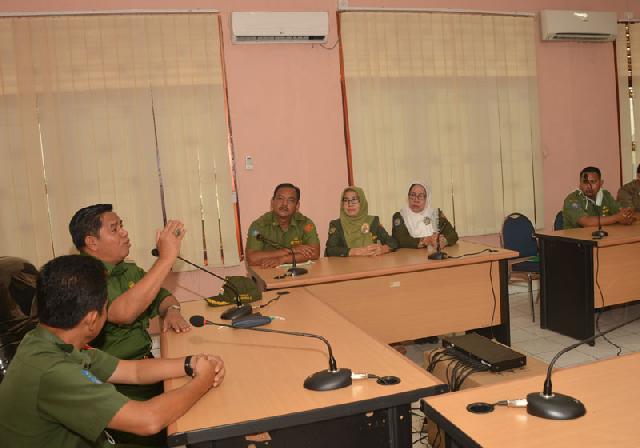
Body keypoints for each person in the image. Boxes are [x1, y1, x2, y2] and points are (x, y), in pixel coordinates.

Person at [0, 255, 225, 448]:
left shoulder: (46, 339)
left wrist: (192, 363)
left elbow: (132, 370)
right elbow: (148, 420)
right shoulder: (53, 371)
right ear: (92, 319)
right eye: (106, 306)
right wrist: (202, 380)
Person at [69, 204, 190, 444]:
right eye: (115, 229)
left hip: (146, 371)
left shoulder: (127, 270)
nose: (124, 232)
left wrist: (172, 310)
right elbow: (122, 313)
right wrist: (166, 259)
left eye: (122, 225)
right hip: (120, 386)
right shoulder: (84, 278)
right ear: (92, 242)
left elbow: (161, 295)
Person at [246, 183, 320, 268]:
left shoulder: (305, 224)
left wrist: (282, 260)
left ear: (297, 205)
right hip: (268, 274)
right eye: (280, 199)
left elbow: (314, 253)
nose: (284, 204)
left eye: (290, 200)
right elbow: (252, 258)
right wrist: (291, 250)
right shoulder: (258, 226)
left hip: (298, 276)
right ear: (272, 202)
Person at [325, 186, 398, 257]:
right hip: (347, 267)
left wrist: (382, 249)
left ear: (362, 202)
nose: (350, 204)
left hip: (372, 266)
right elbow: (330, 250)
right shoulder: (336, 225)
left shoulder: (372, 221)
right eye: (346, 200)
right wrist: (355, 252)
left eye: (354, 200)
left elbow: (393, 242)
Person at [562, 166, 635, 229]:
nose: (588, 186)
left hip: (601, 238)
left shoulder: (605, 195)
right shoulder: (572, 199)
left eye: (593, 182)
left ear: (601, 183)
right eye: (585, 182)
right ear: (580, 184)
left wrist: (627, 215)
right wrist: (617, 218)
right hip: (576, 242)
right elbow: (587, 222)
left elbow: (620, 212)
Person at [392, 182, 458, 249]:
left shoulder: (435, 214)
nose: (416, 200)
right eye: (413, 195)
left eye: (420, 196)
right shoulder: (400, 216)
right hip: (409, 256)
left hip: (433, 253)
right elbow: (401, 240)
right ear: (408, 197)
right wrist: (424, 241)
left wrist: (443, 241)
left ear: (426, 199)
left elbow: (453, 234)